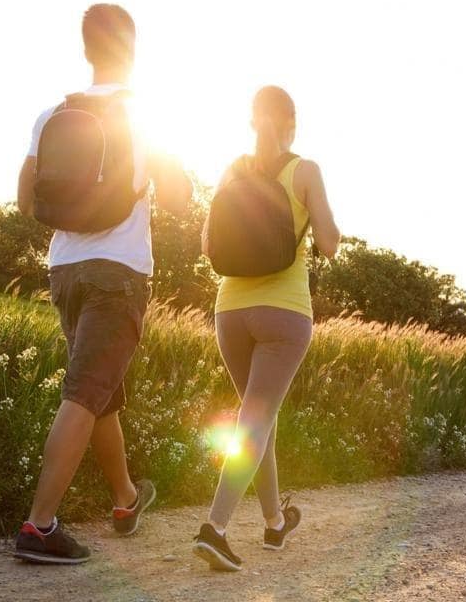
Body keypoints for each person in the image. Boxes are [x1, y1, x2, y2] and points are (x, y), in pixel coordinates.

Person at [14, 3, 192, 565]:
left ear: (87, 51)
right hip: (119, 272)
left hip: (64, 268)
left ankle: (125, 500)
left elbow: (26, 200)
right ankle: (40, 527)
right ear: (132, 52)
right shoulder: (143, 118)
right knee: (85, 393)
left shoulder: (52, 114)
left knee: (101, 397)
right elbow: (180, 199)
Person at [195, 86, 341, 571]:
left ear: (253, 121)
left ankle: (276, 522)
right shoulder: (306, 170)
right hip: (284, 312)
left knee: (259, 421)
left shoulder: (233, 169)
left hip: (230, 311)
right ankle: (214, 529)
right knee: (254, 421)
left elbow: (206, 242)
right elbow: (330, 243)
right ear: (292, 124)